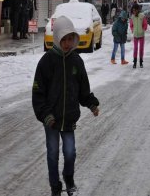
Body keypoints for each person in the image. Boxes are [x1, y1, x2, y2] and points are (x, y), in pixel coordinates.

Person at [32, 16, 100, 196]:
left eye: (71, 39)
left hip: (69, 118)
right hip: (51, 120)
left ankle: (68, 178)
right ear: (57, 38)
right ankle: (55, 186)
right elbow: (38, 95)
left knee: (70, 153)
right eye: (64, 39)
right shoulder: (46, 62)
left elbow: (83, 90)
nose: (68, 43)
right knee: (52, 154)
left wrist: (91, 103)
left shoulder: (77, 61)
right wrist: (46, 115)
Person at [130, 4, 148, 68]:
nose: (134, 11)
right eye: (133, 10)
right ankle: (134, 62)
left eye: (134, 10)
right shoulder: (132, 17)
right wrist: (133, 30)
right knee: (135, 49)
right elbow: (131, 25)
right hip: (135, 35)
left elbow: (145, 24)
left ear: (137, 10)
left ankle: (141, 62)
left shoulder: (142, 16)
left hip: (141, 35)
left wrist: (143, 29)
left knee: (141, 49)